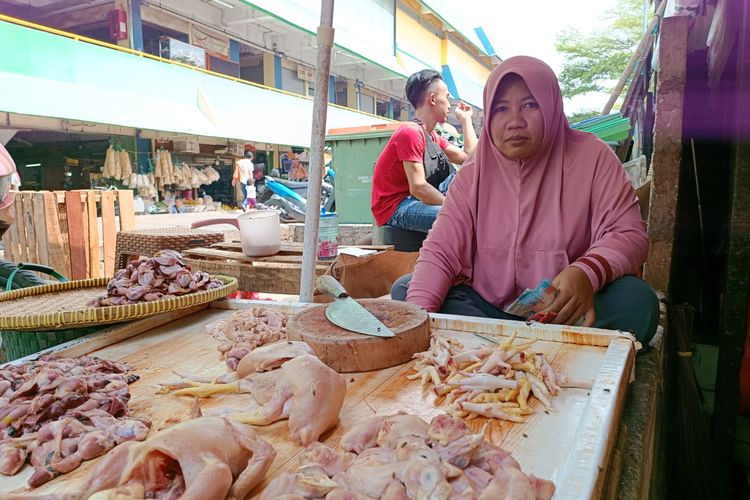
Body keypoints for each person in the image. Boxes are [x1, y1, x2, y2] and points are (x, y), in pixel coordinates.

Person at [391, 56, 659, 344]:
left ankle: (491, 343)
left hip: (565, 310)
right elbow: (441, 248)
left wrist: (586, 272)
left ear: (551, 106)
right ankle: (535, 343)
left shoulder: (593, 157)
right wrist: (415, 326)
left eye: (530, 105)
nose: (515, 122)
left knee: (638, 302)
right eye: (502, 109)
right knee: (408, 293)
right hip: (488, 308)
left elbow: (629, 234)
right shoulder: (474, 172)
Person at [371, 69, 478, 233]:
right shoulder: (410, 132)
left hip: (414, 201)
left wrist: (466, 119)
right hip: (396, 207)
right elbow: (418, 187)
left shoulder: (431, 136)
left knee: (470, 175)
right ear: (433, 99)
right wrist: (455, 206)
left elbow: (469, 158)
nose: (450, 105)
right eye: (447, 97)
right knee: (462, 216)